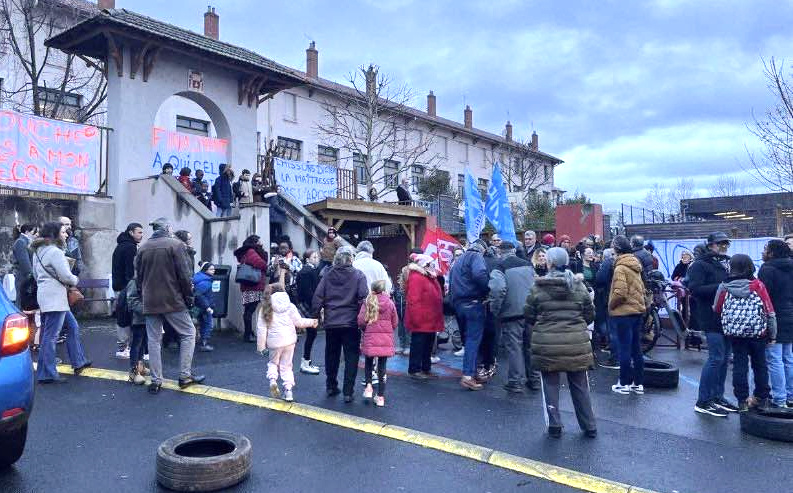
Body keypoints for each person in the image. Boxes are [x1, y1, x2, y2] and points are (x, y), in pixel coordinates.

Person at [524, 247, 597, 438]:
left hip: (547, 343)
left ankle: (555, 425)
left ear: (549, 263)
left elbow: (529, 315)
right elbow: (590, 314)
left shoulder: (538, 287)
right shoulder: (579, 286)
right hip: (576, 343)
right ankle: (589, 425)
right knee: (580, 385)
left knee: (550, 384)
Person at [136, 217, 205, 394]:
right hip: (173, 299)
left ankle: (156, 380)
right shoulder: (175, 245)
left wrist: (142, 296)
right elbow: (184, 275)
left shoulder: (143, 248)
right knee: (188, 333)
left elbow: (139, 278)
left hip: (150, 300)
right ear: (167, 228)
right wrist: (189, 297)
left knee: (153, 339)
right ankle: (184, 375)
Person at [31, 222, 91, 383]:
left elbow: (35, 275)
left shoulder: (37, 252)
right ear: (55, 234)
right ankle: (48, 373)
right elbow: (66, 276)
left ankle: (78, 361)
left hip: (45, 295)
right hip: (56, 298)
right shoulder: (55, 252)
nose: (66, 234)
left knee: (69, 327)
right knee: (50, 336)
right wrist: (75, 279)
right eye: (63, 232)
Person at [714, 254, 774, 411]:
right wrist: (772, 333)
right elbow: (769, 312)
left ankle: (742, 400)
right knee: (760, 365)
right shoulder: (758, 285)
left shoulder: (724, 286)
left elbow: (717, 308)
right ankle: (761, 398)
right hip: (758, 334)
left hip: (736, 334)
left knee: (740, 366)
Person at [312, 246, 368, 402]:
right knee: (351, 356)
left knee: (331, 354)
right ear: (351, 259)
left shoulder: (328, 274)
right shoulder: (358, 275)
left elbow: (318, 296)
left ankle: (331, 385)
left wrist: (315, 315)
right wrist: (363, 319)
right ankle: (348, 391)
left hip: (332, 322)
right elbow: (364, 298)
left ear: (336, 258)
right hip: (351, 323)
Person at [688, 231, 735, 417]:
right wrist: (722, 287)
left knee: (724, 359)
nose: (723, 246)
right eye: (719, 244)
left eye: (725, 244)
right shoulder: (699, 265)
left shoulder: (726, 263)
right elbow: (695, 289)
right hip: (710, 317)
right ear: (710, 246)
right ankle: (703, 400)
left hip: (727, 317)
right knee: (716, 358)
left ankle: (717, 396)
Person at [488, 241, 538, 392]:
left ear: (499, 252)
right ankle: (534, 380)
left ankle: (516, 381)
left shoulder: (500, 267)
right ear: (513, 250)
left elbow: (498, 289)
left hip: (511, 313)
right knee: (530, 346)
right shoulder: (528, 264)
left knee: (515, 348)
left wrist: (495, 309)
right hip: (530, 311)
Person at [257, 284, 318, 403]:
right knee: (286, 366)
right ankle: (288, 391)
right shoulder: (290, 306)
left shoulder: (265, 308)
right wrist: (312, 322)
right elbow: (299, 322)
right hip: (290, 341)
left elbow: (261, 329)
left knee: (273, 363)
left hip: (274, 342)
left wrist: (261, 347)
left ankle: (273, 381)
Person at [608, 236, 647, 396]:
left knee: (624, 348)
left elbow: (620, 292)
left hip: (623, 313)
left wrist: (611, 305)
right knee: (636, 348)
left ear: (617, 249)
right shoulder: (635, 265)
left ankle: (624, 383)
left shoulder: (620, 268)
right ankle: (638, 383)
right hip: (637, 311)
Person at [450, 238, 490, 391]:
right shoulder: (476, 256)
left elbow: (452, 280)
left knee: (468, 340)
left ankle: (472, 372)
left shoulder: (458, 261)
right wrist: (487, 290)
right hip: (473, 303)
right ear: (482, 249)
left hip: (459, 304)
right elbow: (480, 274)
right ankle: (468, 375)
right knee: (473, 340)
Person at [758, 239, 793, 409]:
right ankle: (791, 395)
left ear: (772, 252)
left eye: (766, 249)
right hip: (790, 315)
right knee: (788, 358)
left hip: (774, 317)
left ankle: (779, 398)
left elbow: (763, 296)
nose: (763, 251)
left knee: (774, 359)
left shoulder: (767, 269)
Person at [357, 279, 398, 406]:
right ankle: (380, 396)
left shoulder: (368, 301)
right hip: (385, 339)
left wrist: (366, 329)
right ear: (384, 290)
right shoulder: (390, 303)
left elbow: (361, 321)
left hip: (370, 338)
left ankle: (368, 387)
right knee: (382, 367)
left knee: (368, 363)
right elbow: (395, 322)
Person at [405, 254, 444, 379]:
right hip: (422, 319)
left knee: (428, 344)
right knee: (418, 344)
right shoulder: (417, 277)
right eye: (430, 263)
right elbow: (413, 300)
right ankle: (415, 370)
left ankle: (426, 368)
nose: (433, 265)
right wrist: (416, 319)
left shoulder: (428, 276)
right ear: (424, 265)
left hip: (430, 318)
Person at [112, 222, 143, 359]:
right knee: (126, 317)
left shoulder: (121, 246)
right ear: (131, 232)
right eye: (139, 232)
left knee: (124, 316)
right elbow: (131, 271)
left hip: (120, 286)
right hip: (127, 287)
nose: (141, 235)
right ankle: (123, 348)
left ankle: (124, 347)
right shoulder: (130, 248)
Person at [234, 235, 269, 343]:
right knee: (250, 310)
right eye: (259, 241)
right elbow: (261, 263)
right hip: (254, 286)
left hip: (247, 285)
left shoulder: (246, 252)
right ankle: (248, 334)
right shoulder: (251, 251)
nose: (261, 243)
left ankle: (248, 333)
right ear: (254, 242)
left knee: (248, 310)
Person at [296, 250, 322, 374]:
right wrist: (316, 306)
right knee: (312, 333)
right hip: (308, 305)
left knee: (312, 333)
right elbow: (308, 292)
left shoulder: (309, 271)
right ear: (307, 259)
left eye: (317, 257)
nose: (317, 259)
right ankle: (305, 362)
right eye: (314, 257)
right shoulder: (307, 272)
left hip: (308, 304)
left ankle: (306, 361)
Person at [396, 248, 424, 355]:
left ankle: (408, 345)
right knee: (402, 321)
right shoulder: (405, 269)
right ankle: (402, 344)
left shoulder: (424, 269)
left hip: (418, 299)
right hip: (405, 298)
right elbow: (401, 283)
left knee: (412, 323)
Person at [594, 248, 618, 368]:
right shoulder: (629, 260)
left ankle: (615, 359)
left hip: (611, 298)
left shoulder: (608, 262)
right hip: (626, 301)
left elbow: (600, 279)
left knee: (612, 330)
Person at [124, 276, 149, 385]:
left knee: (143, 343)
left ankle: (140, 367)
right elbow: (132, 301)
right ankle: (133, 372)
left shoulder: (146, 278)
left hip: (146, 318)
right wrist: (147, 310)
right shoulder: (134, 281)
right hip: (137, 319)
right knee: (136, 344)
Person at [11, 223, 37, 308]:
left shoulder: (25, 241)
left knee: (25, 299)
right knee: (21, 299)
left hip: (25, 276)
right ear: (27, 232)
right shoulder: (21, 242)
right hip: (23, 276)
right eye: (34, 232)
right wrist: (31, 275)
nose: (36, 234)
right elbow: (24, 262)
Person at [193, 262, 215, 352]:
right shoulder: (206, 281)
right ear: (205, 270)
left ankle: (200, 341)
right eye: (211, 269)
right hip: (205, 307)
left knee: (201, 324)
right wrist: (207, 307)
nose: (214, 271)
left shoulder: (199, 278)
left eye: (213, 269)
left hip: (198, 306)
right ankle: (204, 344)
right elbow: (200, 295)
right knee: (208, 325)